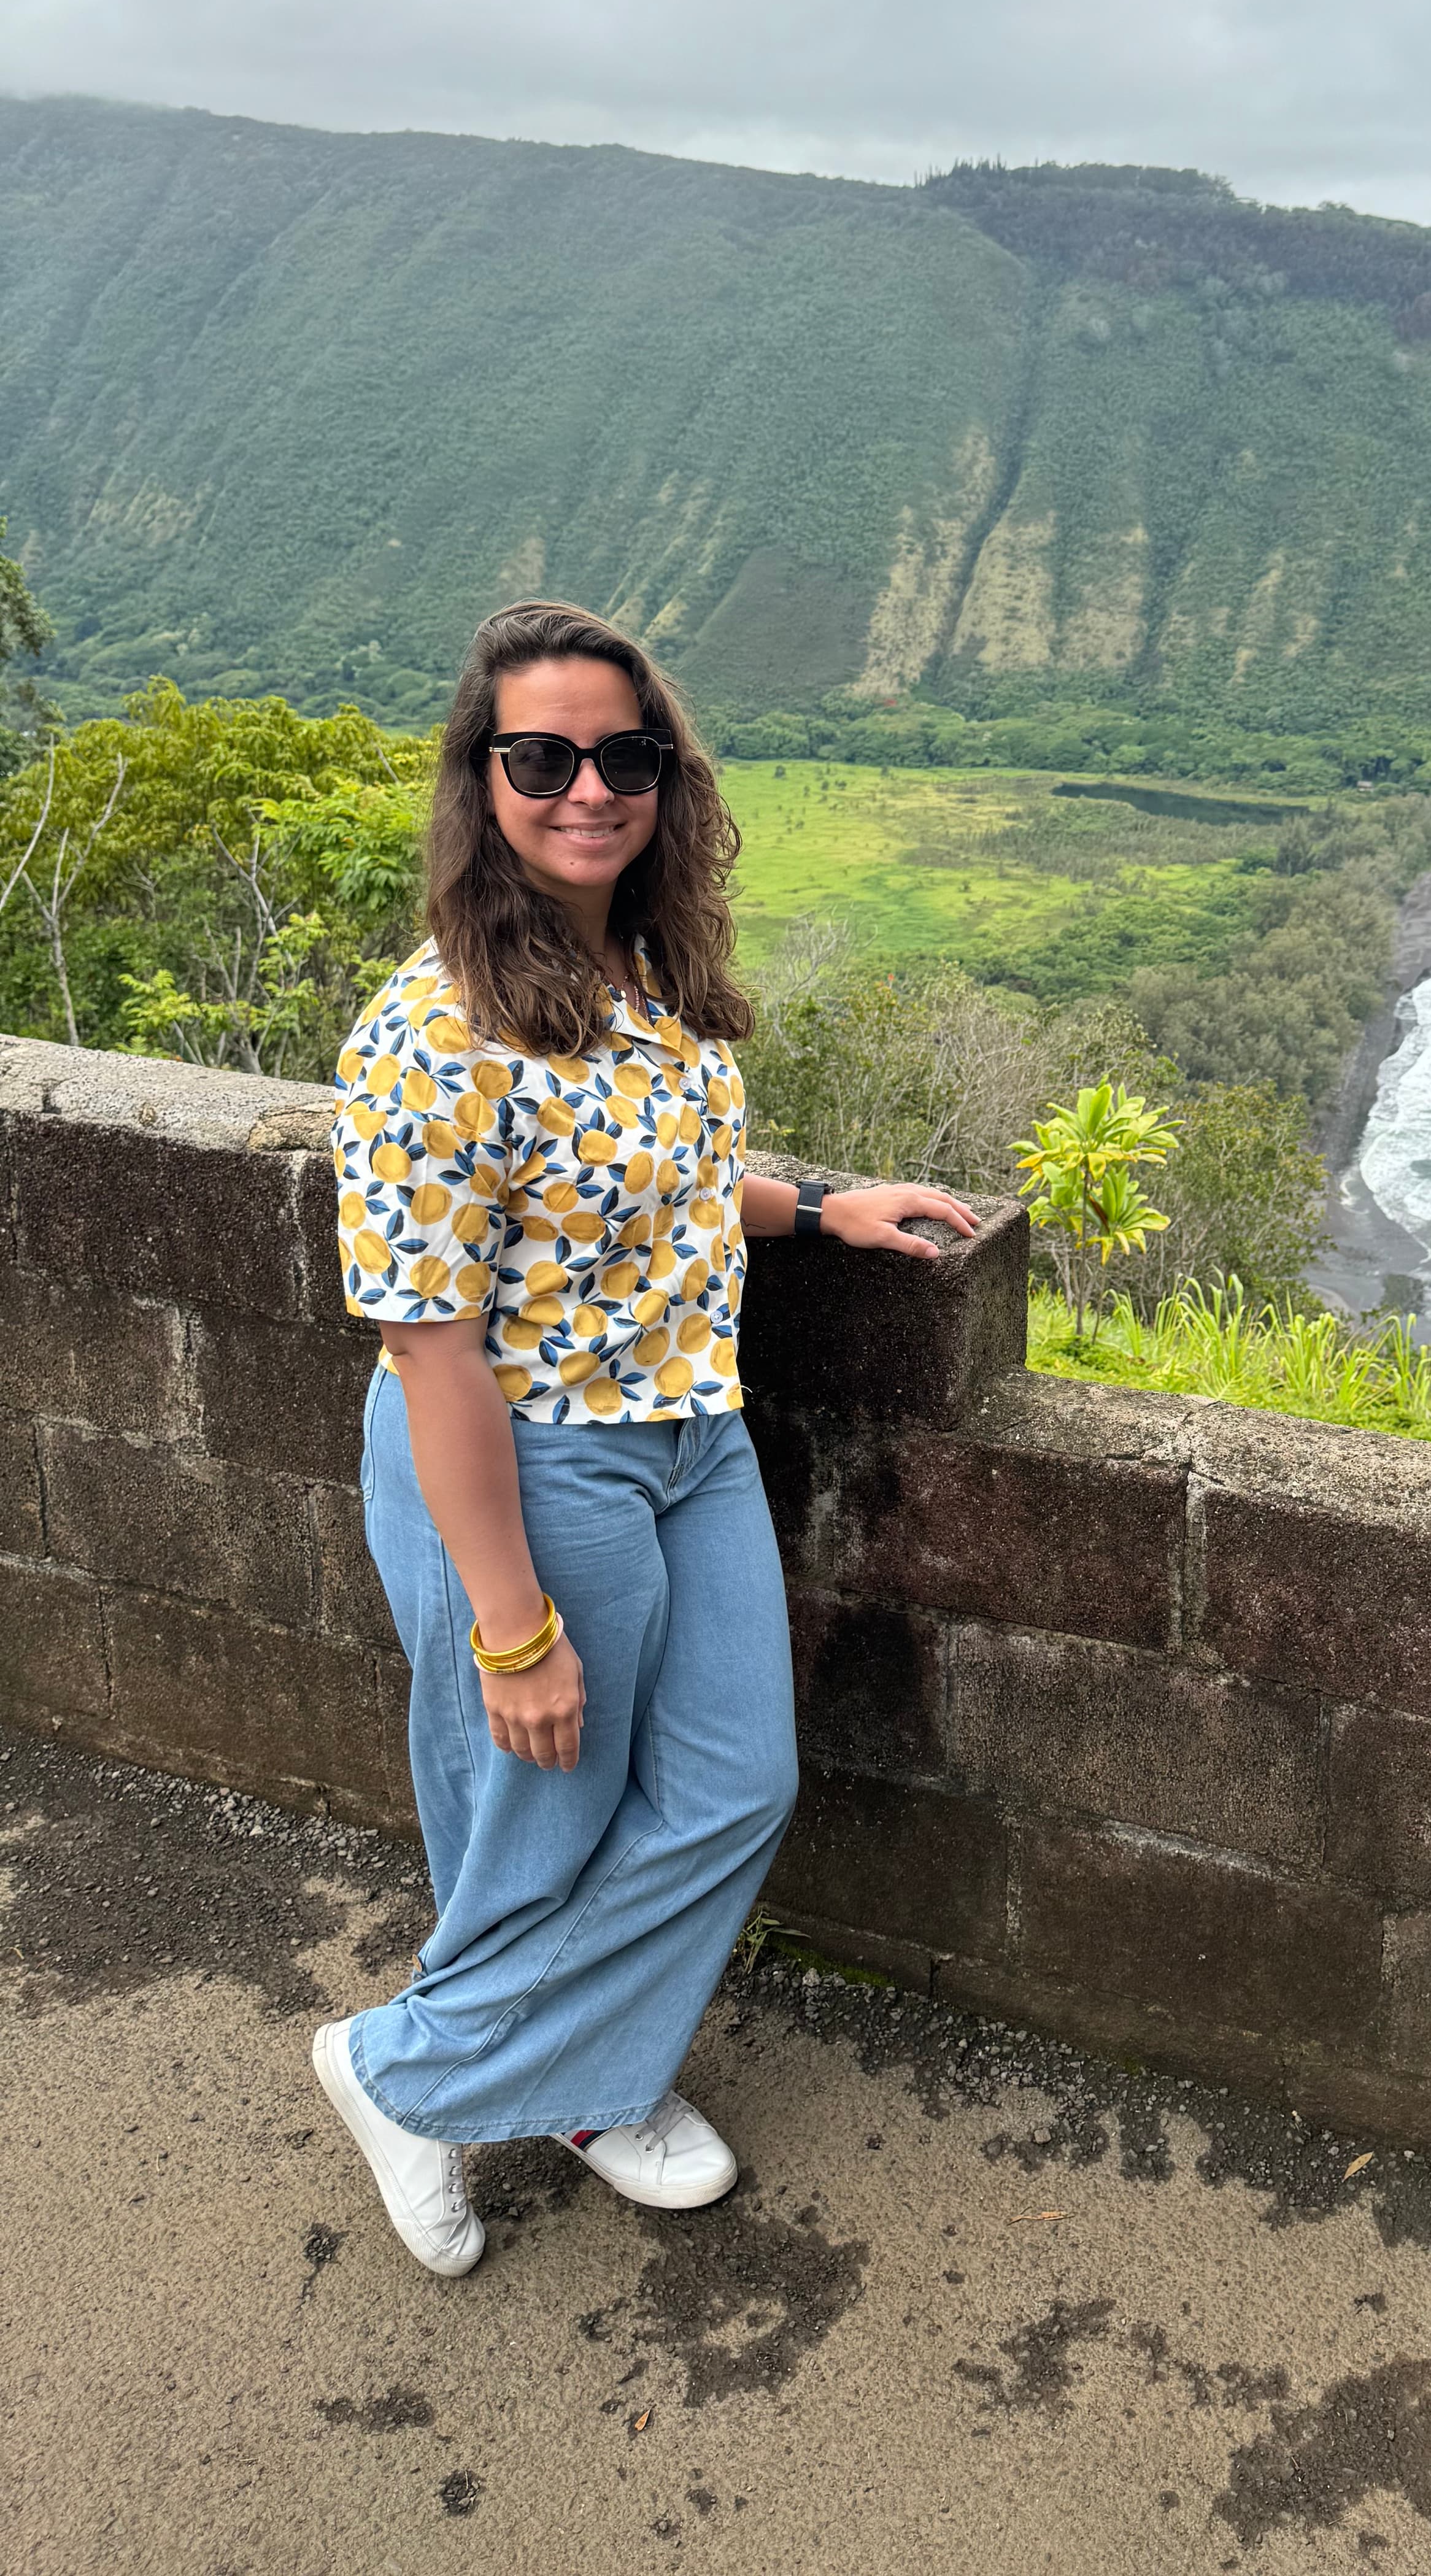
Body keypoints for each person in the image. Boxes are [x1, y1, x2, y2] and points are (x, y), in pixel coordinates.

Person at [312, 600, 977, 2275]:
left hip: (685, 1436)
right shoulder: (428, 1034)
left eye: (626, 757)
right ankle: (472, 2083)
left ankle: (483, 2071)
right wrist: (513, 1624)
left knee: (734, 1786)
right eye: (542, 757)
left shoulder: (640, 978)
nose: (589, 788)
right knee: (537, 1824)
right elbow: (432, 1346)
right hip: (527, 1468)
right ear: (483, 781)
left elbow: (657, 1191)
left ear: (666, 780)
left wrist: (820, 1208)